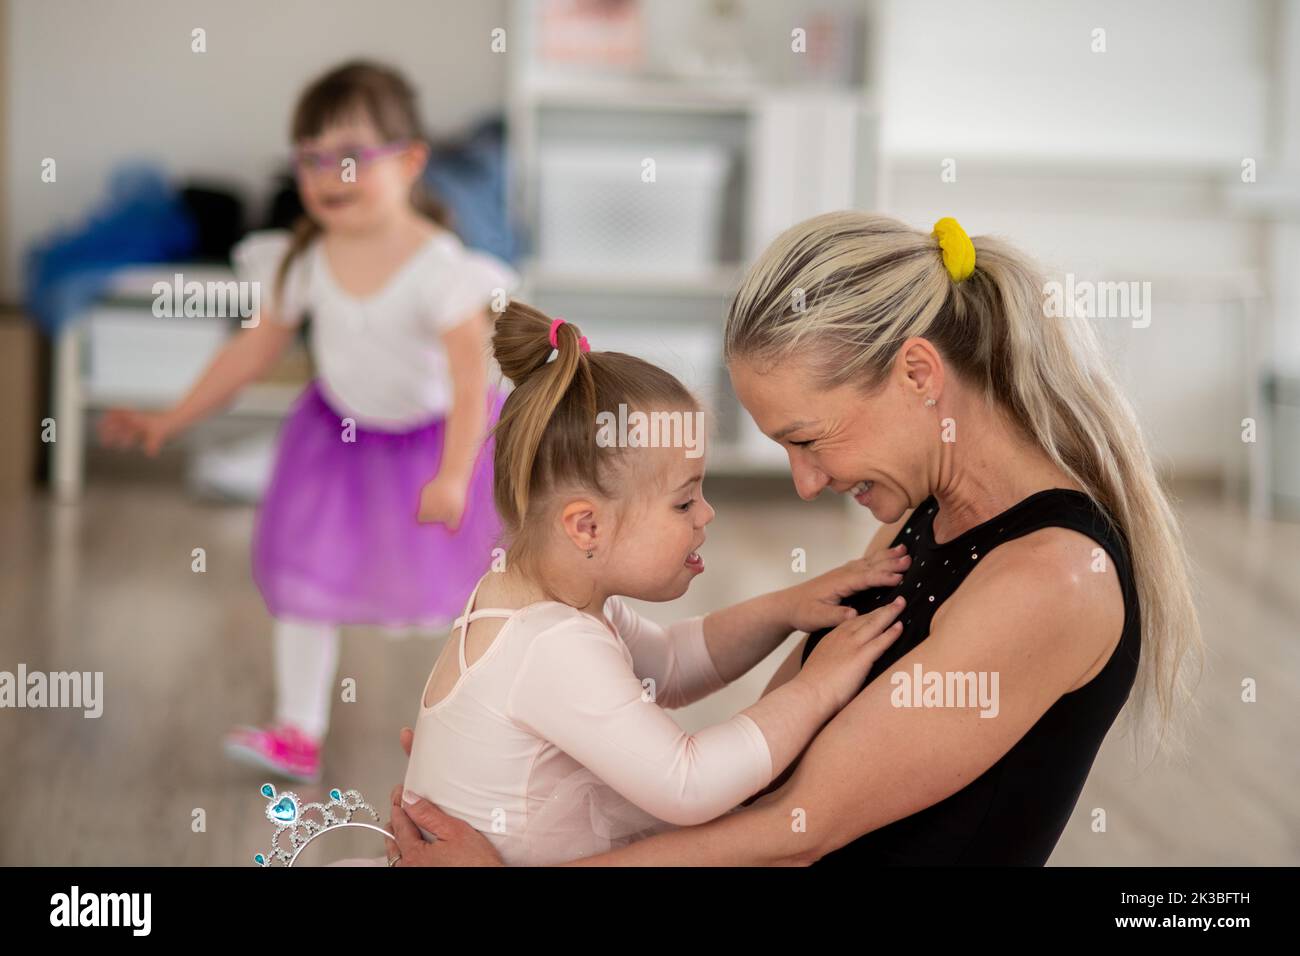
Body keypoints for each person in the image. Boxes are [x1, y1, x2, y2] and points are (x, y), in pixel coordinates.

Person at [381, 213, 1203, 866]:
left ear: (919, 375)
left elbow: (790, 830)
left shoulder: (1053, 577)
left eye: (809, 440)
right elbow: (764, 744)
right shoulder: (922, 521)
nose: (806, 483)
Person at [335, 300, 908, 866]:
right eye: (684, 500)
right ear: (587, 526)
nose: (706, 515)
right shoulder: (551, 645)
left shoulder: (528, 601)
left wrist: (788, 608)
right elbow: (688, 784)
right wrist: (818, 688)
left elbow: (674, 662)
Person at [99, 61, 518, 783]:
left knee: (465, 595)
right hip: (339, 443)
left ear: (411, 161)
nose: (330, 174)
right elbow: (250, 351)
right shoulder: (305, 258)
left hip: (438, 443)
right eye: (311, 157)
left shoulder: (442, 270)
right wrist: (172, 419)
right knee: (305, 581)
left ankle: (489, 727)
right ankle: (298, 729)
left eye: (352, 156)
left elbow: (468, 378)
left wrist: (455, 476)